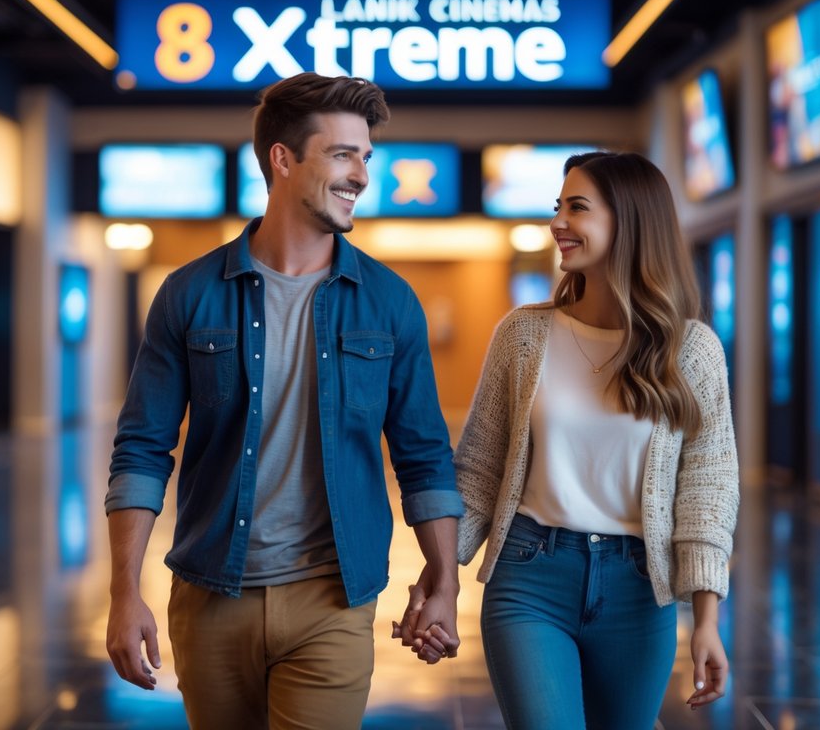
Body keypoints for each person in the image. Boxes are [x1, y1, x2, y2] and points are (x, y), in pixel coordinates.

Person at [104, 72, 464, 729]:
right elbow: (142, 450)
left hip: (332, 598)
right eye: (342, 154)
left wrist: (443, 582)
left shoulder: (388, 303)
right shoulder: (189, 294)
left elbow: (424, 458)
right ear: (283, 159)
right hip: (210, 593)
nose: (361, 174)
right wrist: (123, 593)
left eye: (367, 157)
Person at [436, 152, 740, 729]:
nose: (558, 223)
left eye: (577, 207)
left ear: (630, 221)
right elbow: (477, 470)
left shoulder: (692, 351)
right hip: (530, 575)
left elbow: (708, 486)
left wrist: (706, 618)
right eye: (558, 207)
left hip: (638, 587)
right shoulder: (523, 335)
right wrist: (441, 578)